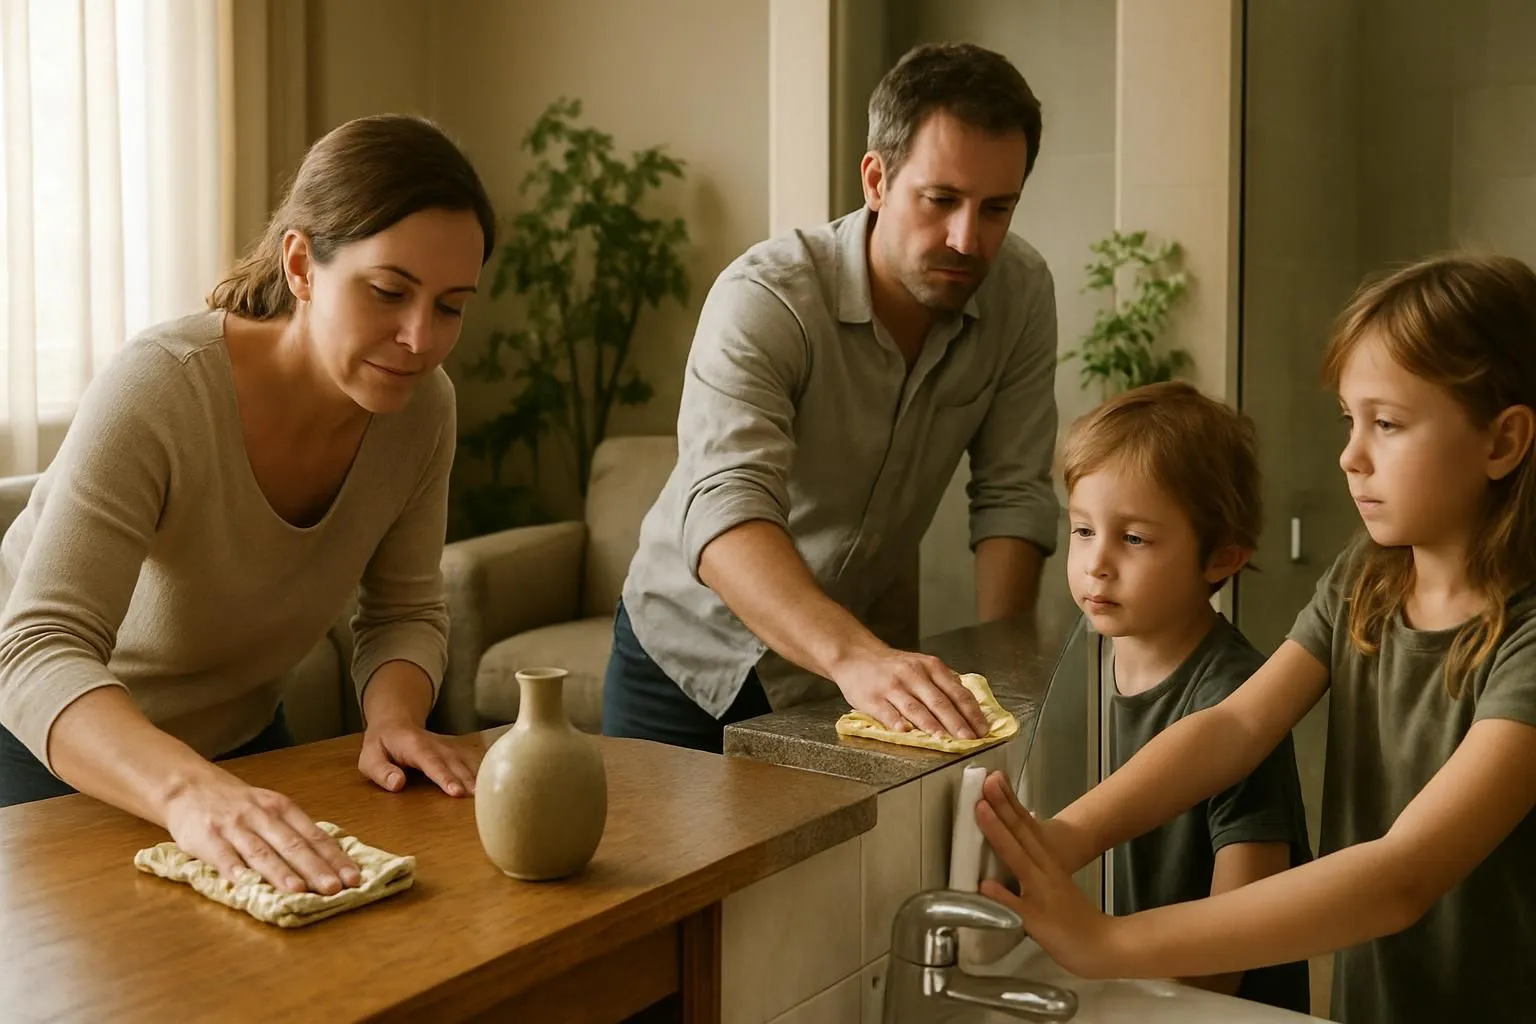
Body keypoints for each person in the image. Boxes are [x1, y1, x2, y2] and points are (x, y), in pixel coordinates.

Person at [974, 253, 1536, 1023]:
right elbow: (1238, 723)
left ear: (1503, 442)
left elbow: (1405, 874)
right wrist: (1065, 837)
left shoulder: (1528, 641)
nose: (1350, 455)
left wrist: (1109, 943)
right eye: (1350, 419)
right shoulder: (1366, 579)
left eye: (1388, 423)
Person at [0, 114, 495, 899]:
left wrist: (395, 718)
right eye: (389, 292)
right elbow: (35, 651)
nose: (418, 339)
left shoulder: (423, 409)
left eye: (451, 306)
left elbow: (403, 609)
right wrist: (186, 792)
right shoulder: (161, 386)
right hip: (47, 746)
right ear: (300, 264)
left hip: (241, 749)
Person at [605, 42, 1061, 753]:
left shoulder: (1022, 294)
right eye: (940, 200)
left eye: (997, 208)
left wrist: (1005, 678)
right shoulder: (765, 298)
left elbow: (1012, 492)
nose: (968, 240)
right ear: (877, 179)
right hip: (683, 658)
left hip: (843, 671)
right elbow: (726, 506)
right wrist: (858, 658)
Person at [1059, 380, 1311, 1011]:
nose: (1097, 564)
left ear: (1221, 557)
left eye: (1134, 538)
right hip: (1143, 991)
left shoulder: (1239, 700)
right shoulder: (1084, 666)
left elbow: (1233, 955)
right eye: (1083, 530)